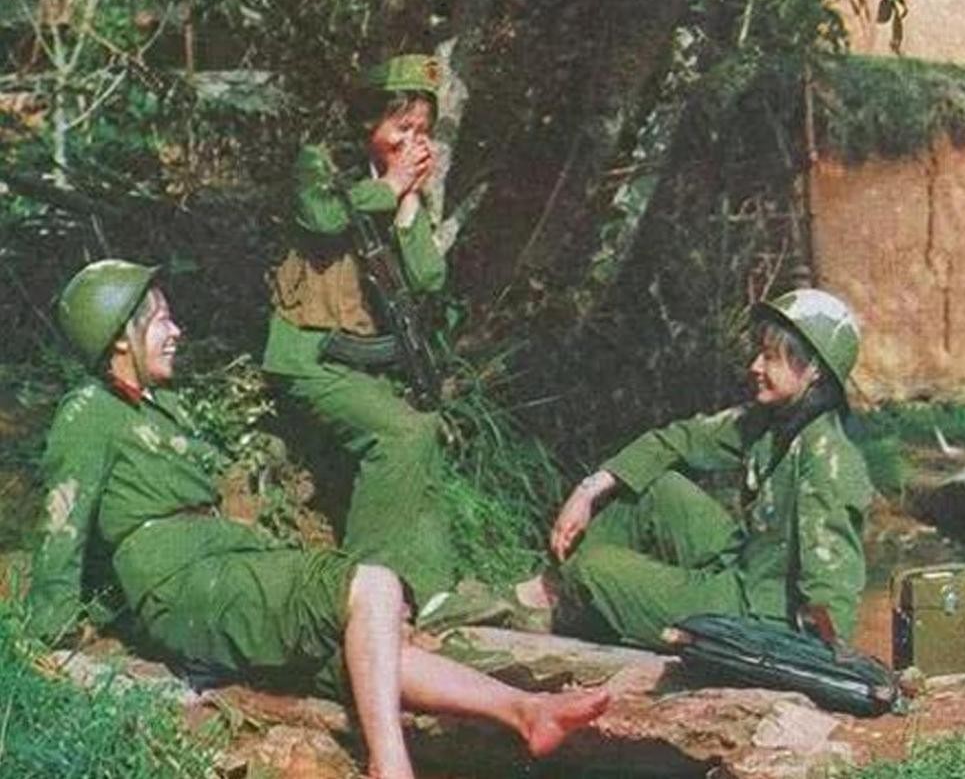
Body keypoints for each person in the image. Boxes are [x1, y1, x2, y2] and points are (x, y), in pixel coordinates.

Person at [27, 260, 609, 779]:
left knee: (368, 654)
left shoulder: (160, 407)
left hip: (219, 572)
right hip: (188, 584)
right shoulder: (88, 412)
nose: (176, 331)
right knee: (372, 583)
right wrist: (53, 634)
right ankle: (391, 766)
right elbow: (63, 520)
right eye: (160, 321)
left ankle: (526, 711)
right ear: (119, 338)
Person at [518, 289, 873, 649]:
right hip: (743, 566)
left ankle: (569, 603)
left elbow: (831, 578)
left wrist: (823, 651)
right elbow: (679, 440)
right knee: (656, 491)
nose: (755, 367)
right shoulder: (770, 421)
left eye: (770, 357)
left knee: (596, 567)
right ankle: (547, 593)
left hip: (758, 615)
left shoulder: (828, 458)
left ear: (813, 370)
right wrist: (588, 490)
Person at [262, 53, 459, 607]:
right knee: (401, 435)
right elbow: (324, 217)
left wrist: (410, 202)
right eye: (402, 127)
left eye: (422, 130)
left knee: (422, 434)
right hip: (308, 356)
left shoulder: (398, 190)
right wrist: (391, 187)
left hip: (357, 366)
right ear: (369, 122)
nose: (413, 141)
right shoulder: (318, 166)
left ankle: (433, 595)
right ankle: (356, 596)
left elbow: (428, 277)